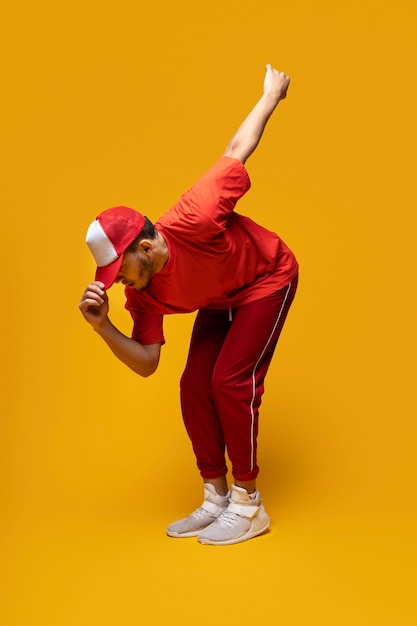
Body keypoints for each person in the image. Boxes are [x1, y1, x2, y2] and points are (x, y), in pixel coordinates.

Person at [79, 64, 298, 546]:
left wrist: (269, 95)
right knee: (194, 385)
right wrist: (103, 328)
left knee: (229, 380)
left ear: (146, 247)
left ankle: (247, 502)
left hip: (265, 276)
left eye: (120, 272)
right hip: (220, 295)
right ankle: (216, 496)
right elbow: (147, 364)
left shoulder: (193, 215)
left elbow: (236, 151)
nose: (119, 285)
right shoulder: (143, 290)